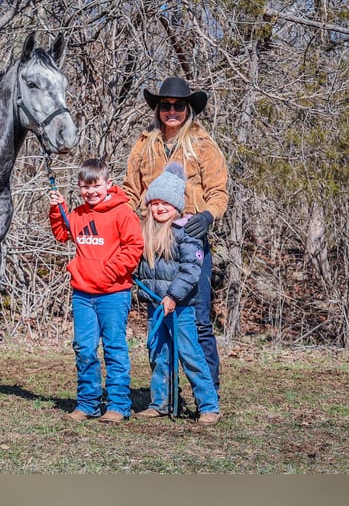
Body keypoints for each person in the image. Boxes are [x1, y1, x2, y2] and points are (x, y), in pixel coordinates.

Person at [123, 76, 228, 393]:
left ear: (188, 109)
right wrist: (125, 226)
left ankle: (208, 393)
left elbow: (218, 193)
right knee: (158, 316)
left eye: (178, 105)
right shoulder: (144, 145)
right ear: (157, 108)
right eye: (165, 105)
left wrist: (208, 215)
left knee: (197, 319)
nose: (172, 110)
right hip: (151, 242)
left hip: (189, 238)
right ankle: (164, 394)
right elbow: (130, 191)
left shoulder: (203, 146)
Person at [49, 157, 144, 424]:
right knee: (84, 348)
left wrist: (108, 272)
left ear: (108, 184)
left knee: (114, 348)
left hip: (113, 294)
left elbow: (134, 247)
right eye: (84, 187)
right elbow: (62, 233)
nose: (90, 192)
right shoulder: (78, 214)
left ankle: (118, 405)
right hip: (83, 294)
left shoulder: (123, 213)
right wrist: (58, 209)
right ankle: (88, 402)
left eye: (95, 186)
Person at [133, 162, 221, 425]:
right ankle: (160, 402)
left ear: (177, 207)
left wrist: (173, 296)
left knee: (190, 354)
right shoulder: (144, 231)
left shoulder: (187, 231)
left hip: (181, 306)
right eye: (155, 203)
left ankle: (208, 405)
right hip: (156, 305)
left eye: (166, 204)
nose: (160, 208)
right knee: (158, 353)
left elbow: (191, 270)